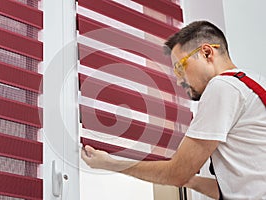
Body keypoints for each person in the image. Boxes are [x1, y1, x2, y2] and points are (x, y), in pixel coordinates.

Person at [81, 21, 266, 199]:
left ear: (207, 53)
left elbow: (176, 174)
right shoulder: (253, 84)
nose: (179, 81)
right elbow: (239, 187)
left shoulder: (222, 86)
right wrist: (191, 181)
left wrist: (110, 163)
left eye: (180, 67)